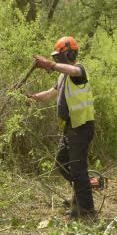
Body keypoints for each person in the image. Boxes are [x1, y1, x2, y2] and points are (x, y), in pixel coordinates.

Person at [27, 36, 96, 218]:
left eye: (60, 56)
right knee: (62, 163)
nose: (58, 60)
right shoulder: (62, 76)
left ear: (70, 53)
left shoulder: (79, 70)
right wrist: (32, 97)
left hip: (81, 127)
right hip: (71, 128)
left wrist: (50, 64)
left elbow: (72, 70)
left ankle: (87, 212)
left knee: (77, 169)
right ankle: (84, 190)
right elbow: (50, 94)